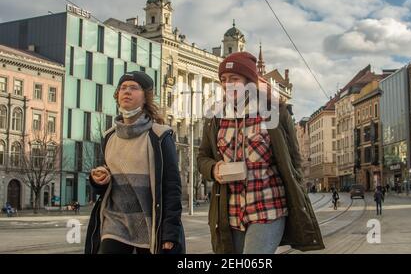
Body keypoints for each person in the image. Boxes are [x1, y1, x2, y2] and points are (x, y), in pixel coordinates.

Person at [197, 52, 324, 254]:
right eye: (223, 80)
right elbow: (202, 157)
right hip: (230, 211)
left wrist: (299, 193)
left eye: (234, 79)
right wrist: (213, 169)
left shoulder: (274, 111)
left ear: (249, 82)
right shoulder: (216, 116)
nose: (227, 84)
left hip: (267, 205)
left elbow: (293, 158)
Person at [85, 71, 185, 254]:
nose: (127, 92)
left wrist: (170, 233)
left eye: (133, 88)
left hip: (149, 223)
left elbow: (172, 186)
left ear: (146, 97)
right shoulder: (109, 136)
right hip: (115, 223)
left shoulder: (160, 136)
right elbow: (106, 183)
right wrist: (99, 179)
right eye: (123, 88)